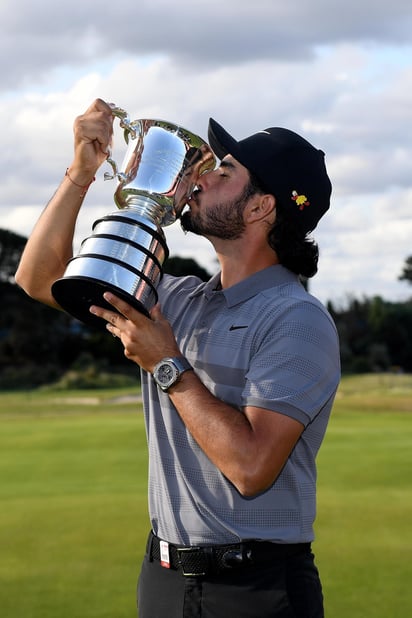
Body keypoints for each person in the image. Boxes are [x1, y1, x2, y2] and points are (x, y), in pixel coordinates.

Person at [15, 98, 341, 618]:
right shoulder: (178, 299)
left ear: (260, 208)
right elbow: (38, 278)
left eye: (224, 171)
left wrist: (168, 365)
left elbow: (252, 467)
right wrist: (81, 172)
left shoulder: (297, 319)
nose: (201, 176)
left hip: (256, 590)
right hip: (163, 581)